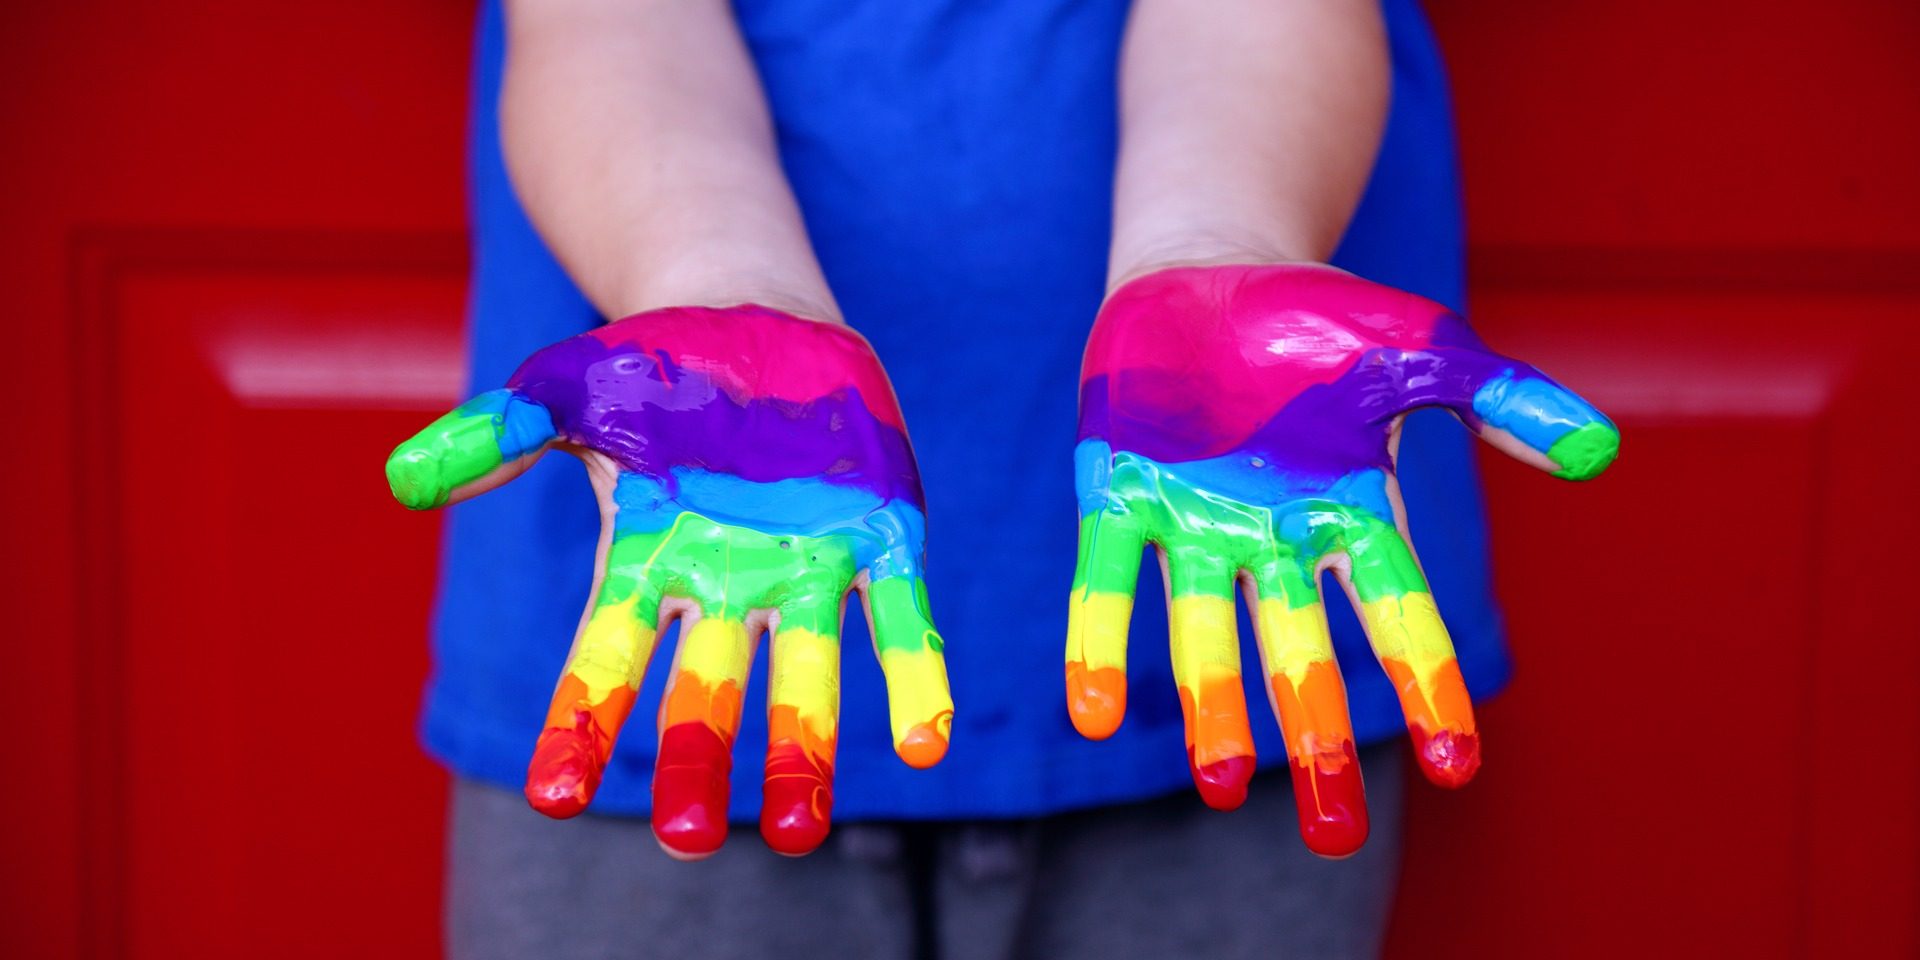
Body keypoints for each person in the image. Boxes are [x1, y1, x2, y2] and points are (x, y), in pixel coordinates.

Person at [390, 1, 1616, 958]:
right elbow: (606, 21)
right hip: (680, 603)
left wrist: (1213, 256)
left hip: (1239, 575)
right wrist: (718, 293)